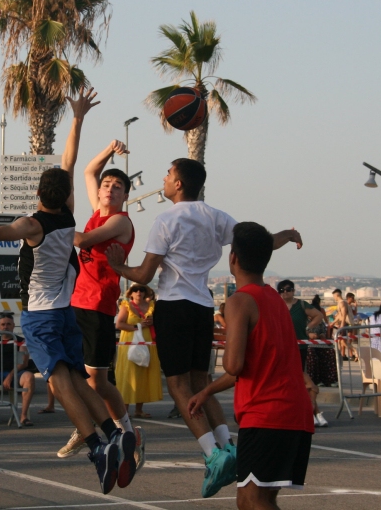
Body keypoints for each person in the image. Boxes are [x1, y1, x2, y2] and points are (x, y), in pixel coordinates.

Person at [0, 88, 134, 496]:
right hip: (67, 309)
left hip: (41, 313)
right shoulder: (68, 215)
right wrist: (78, 118)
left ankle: (98, 449)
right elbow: (68, 159)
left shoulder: (33, 225)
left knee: (59, 381)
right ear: (63, 194)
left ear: (37, 196)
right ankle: (111, 431)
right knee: (76, 377)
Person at [105, 158, 303, 498]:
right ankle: (228, 446)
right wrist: (286, 234)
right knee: (201, 380)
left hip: (174, 305)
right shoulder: (217, 216)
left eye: (168, 174)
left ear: (179, 184)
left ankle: (212, 454)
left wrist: (118, 266)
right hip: (202, 305)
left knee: (178, 383)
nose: (164, 179)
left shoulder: (165, 219)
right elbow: (257, 242)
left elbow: (145, 275)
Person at [187, 222, 313, 509]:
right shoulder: (274, 299)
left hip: (267, 413)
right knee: (252, 499)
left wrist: (205, 389)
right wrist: (206, 393)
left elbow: (233, 365)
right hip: (293, 411)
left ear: (233, 258)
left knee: (253, 500)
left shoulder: (239, 301)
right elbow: (251, 365)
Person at [60, 136, 141, 469]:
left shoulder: (119, 221)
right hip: (76, 301)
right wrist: (110, 150)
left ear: (125, 196)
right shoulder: (97, 211)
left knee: (97, 381)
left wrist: (56, 225)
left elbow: (83, 239)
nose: (108, 188)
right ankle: (88, 427)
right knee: (75, 375)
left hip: (99, 306)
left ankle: (127, 432)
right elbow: (90, 171)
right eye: (107, 185)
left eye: (117, 186)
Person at [277, 280, 328, 428]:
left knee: (299, 378)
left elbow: (318, 315)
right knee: (293, 380)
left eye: (288, 289)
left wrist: (308, 327)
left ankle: (312, 411)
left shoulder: (301, 305)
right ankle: (313, 411)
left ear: (293, 290)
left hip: (299, 347)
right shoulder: (276, 305)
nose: (285, 292)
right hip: (282, 348)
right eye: (282, 290)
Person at [114, 284, 162, 420]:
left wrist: (153, 321)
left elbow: (160, 322)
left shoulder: (151, 306)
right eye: (135, 290)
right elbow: (119, 324)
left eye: (142, 290)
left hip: (146, 342)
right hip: (130, 342)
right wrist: (138, 325)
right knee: (128, 375)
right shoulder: (126, 306)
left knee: (143, 374)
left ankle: (139, 409)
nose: (139, 292)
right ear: (131, 293)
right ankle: (124, 410)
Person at [331, 289, 356, 362]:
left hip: (345, 324)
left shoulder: (342, 303)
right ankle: (343, 354)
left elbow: (344, 314)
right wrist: (333, 323)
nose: (334, 298)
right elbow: (340, 315)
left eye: (334, 296)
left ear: (337, 295)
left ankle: (355, 351)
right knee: (341, 341)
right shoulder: (340, 303)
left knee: (343, 341)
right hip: (344, 323)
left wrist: (341, 325)